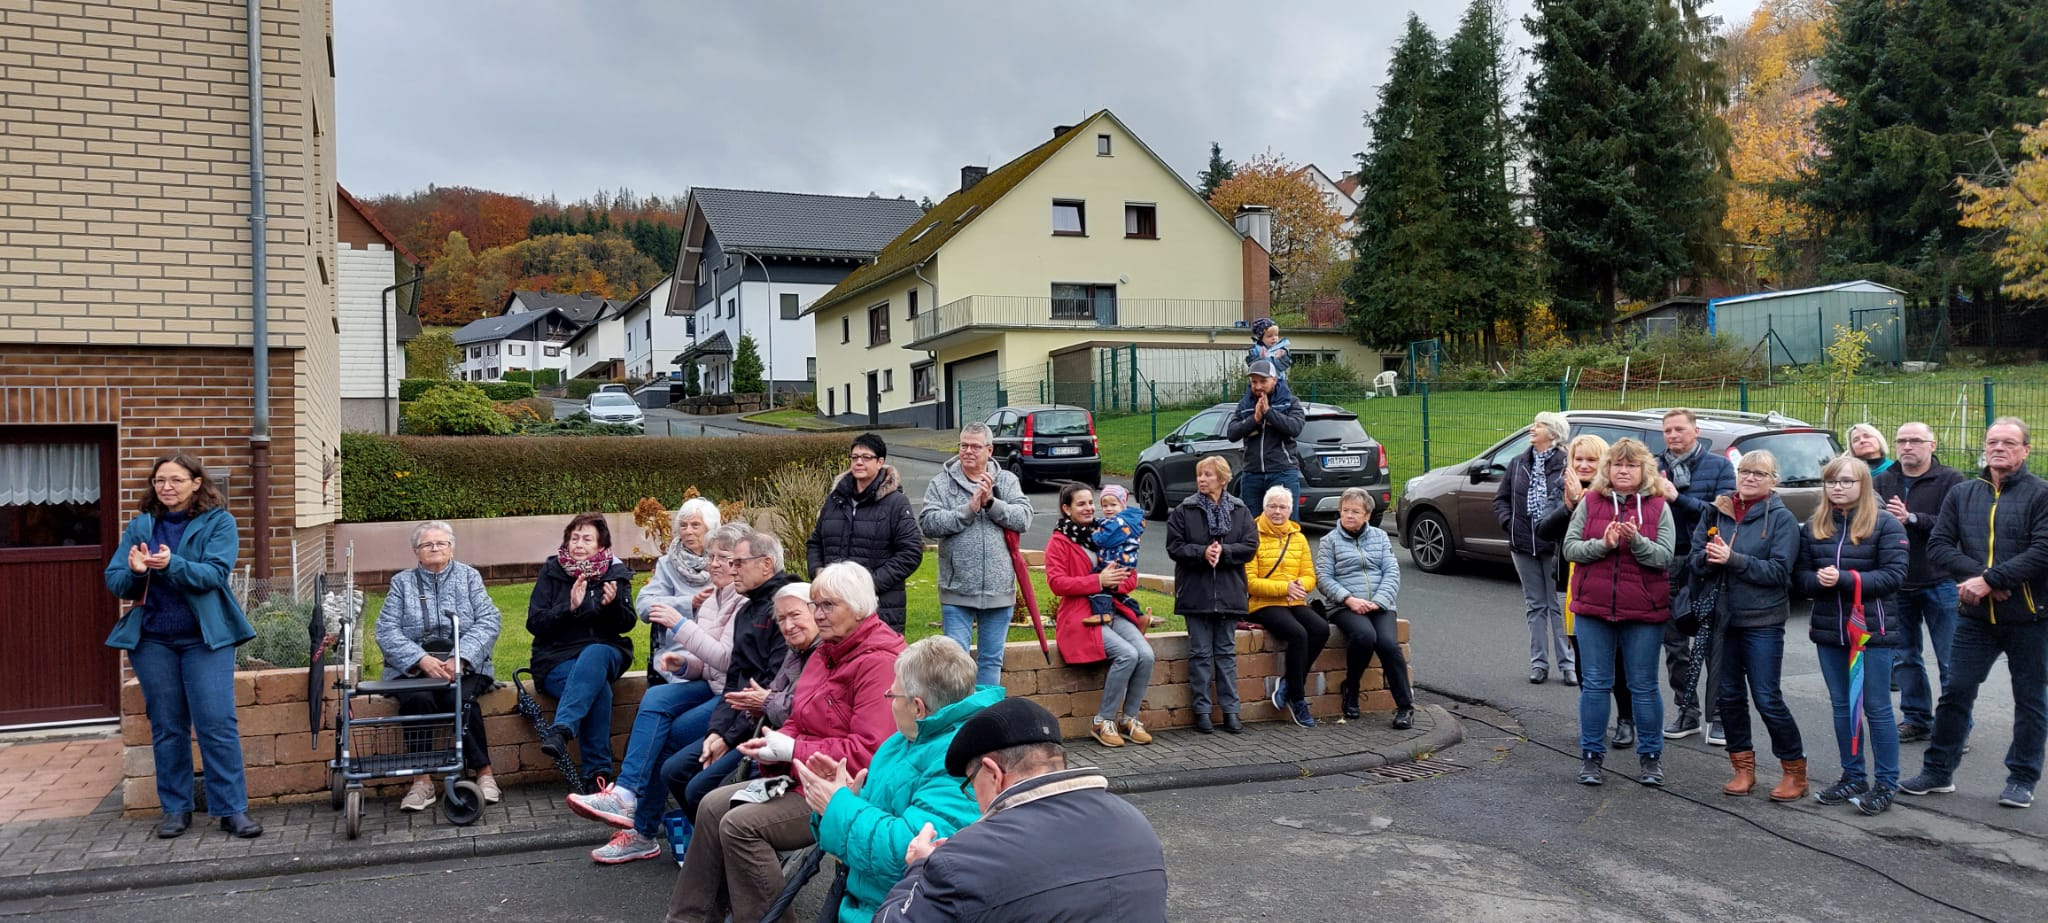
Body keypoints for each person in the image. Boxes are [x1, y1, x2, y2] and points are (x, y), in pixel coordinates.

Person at [664, 562, 906, 923]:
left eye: (827, 606)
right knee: (713, 804)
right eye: (815, 604)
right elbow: (798, 718)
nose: (817, 615)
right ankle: (687, 919)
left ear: (857, 608)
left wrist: (792, 750)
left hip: (846, 791)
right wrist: (773, 744)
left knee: (740, 826)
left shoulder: (879, 663)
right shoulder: (826, 652)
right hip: (801, 775)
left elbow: (869, 753)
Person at [875, 697, 1168, 923]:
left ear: (992, 772)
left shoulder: (966, 857)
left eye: (970, 783)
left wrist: (920, 868)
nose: (975, 799)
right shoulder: (1136, 824)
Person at [103, 453, 262, 839]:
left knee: (216, 724)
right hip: (153, 640)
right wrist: (136, 573)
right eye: (159, 480)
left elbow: (214, 574)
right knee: (168, 727)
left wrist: (171, 564)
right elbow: (115, 580)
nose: (166, 487)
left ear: (196, 483)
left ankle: (232, 810)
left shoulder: (218, 522)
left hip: (205, 640)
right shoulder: (141, 525)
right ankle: (175, 809)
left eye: (175, 479)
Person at [571, 523, 745, 865]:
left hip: (733, 695)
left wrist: (680, 624)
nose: (713, 564)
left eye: (723, 558)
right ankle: (624, 794)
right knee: (655, 699)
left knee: (668, 736)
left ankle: (643, 831)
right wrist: (683, 664)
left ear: (743, 560)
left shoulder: (743, 602)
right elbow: (708, 661)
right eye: (710, 556)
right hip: (711, 682)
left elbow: (726, 658)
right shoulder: (713, 597)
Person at [799, 637, 1001, 923]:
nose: (888, 699)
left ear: (918, 707)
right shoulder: (901, 743)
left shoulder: (962, 758)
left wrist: (838, 805)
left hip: (899, 912)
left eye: (892, 695)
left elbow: (909, 853)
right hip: (865, 903)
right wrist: (844, 797)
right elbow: (866, 827)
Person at [1905, 418, 2048, 810]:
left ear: (2025, 450)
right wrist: (1982, 580)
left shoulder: (2042, 495)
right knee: (1956, 692)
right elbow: (1938, 545)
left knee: (2031, 700)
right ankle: (1937, 773)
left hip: (2031, 617)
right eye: (1992, 441)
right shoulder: (1963, 493)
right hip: (1974, 616)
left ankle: (2021, 778)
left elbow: (2042, 550)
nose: (1999, 448)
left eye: (2009, 442)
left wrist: (1992, 578)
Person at [659, 573, 819, 864]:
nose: (787, 625)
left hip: (783, 747)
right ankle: (718, 857)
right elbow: (741, 686)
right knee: (675, 770)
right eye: (781, 619)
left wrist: (752, 716)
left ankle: (730, 859)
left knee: (706, 793)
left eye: (794, 616)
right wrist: (718, 734)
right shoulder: (781, 640)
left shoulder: (819, 652)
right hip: (756, 731)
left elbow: (802, 710)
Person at [1797, 454, 1910, 815]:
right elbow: (1798, 577)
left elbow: (1895, 576)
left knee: (1876, 709)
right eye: (1832, 481)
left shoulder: (1887, 525)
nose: (1838, 488)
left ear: (1863, 485)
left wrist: (1846, 579)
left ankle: (1886, 783)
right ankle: (1853, 776)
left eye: (1846, 481)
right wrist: (1816, 580)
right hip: (1830, 631)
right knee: (1843, 706)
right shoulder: (1813, 526)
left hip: (1872, 632)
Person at [1691, 451, 1805, 800]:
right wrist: (1709, 559)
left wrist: (1733, 559)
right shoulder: (1715, 510)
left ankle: (1794, 773)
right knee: (1729, 696)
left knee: (1767, 697)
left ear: (1774, 480)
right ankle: (1742, 769)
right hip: (1722, 619)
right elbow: (1694, 561)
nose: (1750, 478)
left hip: (1762, 621)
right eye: (1744, 471)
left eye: (1759, 473)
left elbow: (1778, 572)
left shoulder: (1782, 519)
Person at [1563, 438, 1676, 787]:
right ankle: (1591, 757)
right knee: (1595, 685)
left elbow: (1664, 558)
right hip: (1593, 609)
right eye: (1616, 465)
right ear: (1607, 469)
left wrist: (1637, 541)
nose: (1622, 470)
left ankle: (1651, 759)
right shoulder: (1591, 501)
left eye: (1630, 465)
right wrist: (1604, 544)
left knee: (1643, 686)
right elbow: (1570, 547)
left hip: (1643, 610)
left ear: (1644, 471)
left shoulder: (1658, 506)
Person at [377, 520, 503, 812]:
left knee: (458, 698)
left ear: (452, 548)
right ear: (416, 552)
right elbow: (386, 630)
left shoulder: (469, 577)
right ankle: (421, 782)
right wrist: (420, 660)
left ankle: (484, 773)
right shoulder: (401, 583)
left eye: (441, 543)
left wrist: (460, 657)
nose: (435, 548)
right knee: (417, 699)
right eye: (427, 544)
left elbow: (489, 620)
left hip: (464, 664)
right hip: (415, 666)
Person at [1872, 422, 1966, 742]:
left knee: (1950, 659)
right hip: (1897, 583)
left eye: (1915, 440)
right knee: (1905, 657)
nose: (1907, 446)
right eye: (1902, 441)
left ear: (1932, 445)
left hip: (1940, 580)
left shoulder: (1952, 480)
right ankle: (1916, 719)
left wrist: (1911, 518)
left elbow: (1957, 526)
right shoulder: (1883, 480)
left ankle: (1955, 728)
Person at [920, 422, 1033, 686]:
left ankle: (985, 721)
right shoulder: (941, 483)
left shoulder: (1006, 480)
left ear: (989, 450)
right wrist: (968, 510)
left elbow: (1024, 519)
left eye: (975, 446)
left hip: (999, 590)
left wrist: (992, 503)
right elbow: (928, 523)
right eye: (963, 445)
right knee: (955, 664)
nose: (968, 451)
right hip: (957, 591)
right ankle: (960, 723)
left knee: (991, 661)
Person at [529, 512, 637, 787]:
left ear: (601, 546)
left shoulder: (615, 573)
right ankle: (597, 776)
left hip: (608, 651)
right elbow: (535, 622)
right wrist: (569, 608)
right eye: (574, 538)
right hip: (557, 658)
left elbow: (627, 624)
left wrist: (612, 605)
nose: (578, 543)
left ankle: (562, 729)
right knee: (599, 689)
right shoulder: (551, 572)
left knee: (595, 652)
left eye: (586, 538)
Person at [1541, 434, 1633, 746]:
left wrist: (1583, 501)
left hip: (1608, 584)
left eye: (1591, 460)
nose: (1583, 465)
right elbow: (1543, 530)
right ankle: (1594, 719)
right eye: (1577, 459)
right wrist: (1567, 505)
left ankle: (1626, 719)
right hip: (1569, 582)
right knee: (1581, 656)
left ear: (1603, 463)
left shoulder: (1616, 494)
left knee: (1616, 658)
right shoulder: (1561, 489)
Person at [1044, 483, 1152, 748]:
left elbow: (1131, 573)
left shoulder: (1106, 531)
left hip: (1112, 609)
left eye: (1090, 503)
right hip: (1080, 616)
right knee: (1127, 654)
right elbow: (1057, 583)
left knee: (1146, 655)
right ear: (1066, 509)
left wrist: (1115, 583)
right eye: (1081, 504)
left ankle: (1129, 718)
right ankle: (1102, 720)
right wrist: (1098, 581)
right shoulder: (1059, 541)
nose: (1089, 508)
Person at [1656, 408, 1736, 742]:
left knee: (1714, 642)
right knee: (1675, 643)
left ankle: (1718, 716)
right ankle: (1686, 711)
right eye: (1668, 431)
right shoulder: (1654, 466)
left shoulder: (1718, 466)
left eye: (1679, 429)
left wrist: (1679, 498)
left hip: (1706, 562)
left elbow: (1725, 511)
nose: (1673, 436)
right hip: (1667, 559)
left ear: (1696, 431)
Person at [1167, 455, 1259, 734]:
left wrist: (1226, 552)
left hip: (1229, 593)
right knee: (1200, 655)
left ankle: (1231, 711)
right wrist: (1201, 552)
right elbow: (1174, 547)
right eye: (1199, 475)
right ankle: (1202, 712)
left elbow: (1250, 545)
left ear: (1222, 479)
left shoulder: (1240, 510)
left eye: (1208, 475)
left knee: (1226, 654)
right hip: (1196, 593)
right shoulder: (1185, 510)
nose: (1202, 480)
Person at [1314, 487, 1412, 728]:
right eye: (1345, 510)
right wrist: (1349, 599)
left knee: (1388, 644)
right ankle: (1352, 687)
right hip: (1344, 605)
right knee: (1364, 635)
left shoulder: (1380, 537)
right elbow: (1323, 578)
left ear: (1367, 515)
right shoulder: (1329, 542)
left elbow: (1392, 572)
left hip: (1380, 604)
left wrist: (1378, 602)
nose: (1349, 515)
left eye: (1355, 511)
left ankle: (1405, 707)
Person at [808, 433, 925, 634]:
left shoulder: (895, 503)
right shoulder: (835, 500)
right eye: (854, 457)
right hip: (833, 606)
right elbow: (815, 543)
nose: (859, 462)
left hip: (879, 607)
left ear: (880, 462)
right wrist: (819, 574)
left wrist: (868, 583)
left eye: (866, 457)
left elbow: (911, 552)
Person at [1496, 412, 1576, 685]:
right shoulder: (1518, 463)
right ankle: (1539, 664)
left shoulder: (1566, 464)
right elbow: (1502, 499)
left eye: (1539, 425)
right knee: (1535, 606)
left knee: (1557, 605)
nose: (1533, 428)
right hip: (1522, 543)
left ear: (1553, 433)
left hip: (1554, 545)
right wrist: (1509, 522)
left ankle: (1568, 666)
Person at [1246, 485, 1331, 728]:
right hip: (1264, 603)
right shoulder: (1253, 536)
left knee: (1320, 628)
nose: (1277, 511)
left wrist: (1298, 585)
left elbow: (1310, 575)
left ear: (1290, 510)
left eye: (1282, 507)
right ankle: (1298, 698)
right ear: (1263, 508)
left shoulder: (1299, 537)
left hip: (1294, 600)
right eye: (1272, 506)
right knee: (1298, 634)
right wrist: (1284, 588)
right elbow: (1250, 582)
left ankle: (1286, 684)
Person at [638, 497, 722, 682]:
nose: (688, 531)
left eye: (695, 525)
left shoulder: (723, 561)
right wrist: (688, 603)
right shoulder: (667, 564)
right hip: (678, 651)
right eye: (683, 525)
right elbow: (644, 605)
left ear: (711, 528)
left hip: (717, 650)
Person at [1226, 359, 1306, 519]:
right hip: (1251, 474)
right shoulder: (1244, 405)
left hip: (1282, 472)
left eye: (1263, 381)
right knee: (1250, 526)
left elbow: (1295, 428)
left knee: (1286, 524)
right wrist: (1254, 419)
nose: (1258, 386)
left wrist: (1269, 412)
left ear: (1275, 380)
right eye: (1254, 382)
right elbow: (1232, 433)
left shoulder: (1290, 402)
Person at [1087, 484, 1146, 627]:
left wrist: (1094, 536)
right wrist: (1096, 522)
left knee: (1098, 580)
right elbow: (1106, 524)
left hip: (1118, 561)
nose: (1108, 509)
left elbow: (1107, 539)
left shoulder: (1120, 522)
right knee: (1118, 594)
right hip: (1126, 562)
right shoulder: (1125, 521)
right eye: (1105, 505)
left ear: (1123, 505)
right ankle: (1138, 614)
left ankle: (1102, 613)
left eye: (1113, 505)